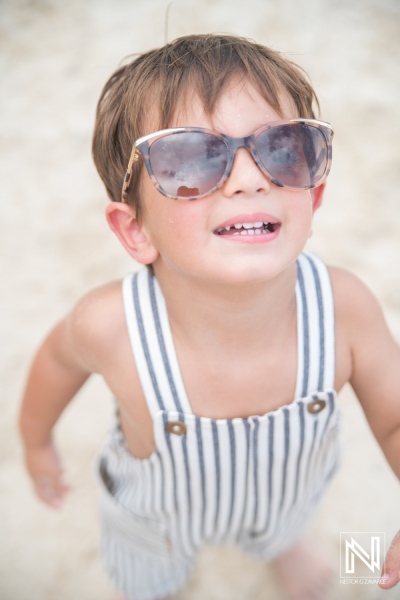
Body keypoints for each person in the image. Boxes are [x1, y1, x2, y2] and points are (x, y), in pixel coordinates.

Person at [19, 34, 400, 600]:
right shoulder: (111, 324)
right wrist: (35, 440)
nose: (250, 178)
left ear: (313, 199)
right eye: (192, 158)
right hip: (155, 523)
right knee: (147, 579)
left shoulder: (345, 307)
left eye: (284, 148)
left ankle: (282, 545)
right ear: (135, 230)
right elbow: (55, 361)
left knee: (298, 533)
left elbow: (393, 421)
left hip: (287, 498)